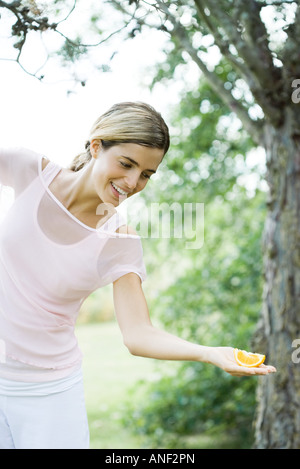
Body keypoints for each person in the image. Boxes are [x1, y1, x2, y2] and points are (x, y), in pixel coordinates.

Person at [0, 101, 276, 449]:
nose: (132, 183)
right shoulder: (28, 171)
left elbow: (138, 334)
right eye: (126, 164)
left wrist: (209, 353)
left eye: (146, 174)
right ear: (96, 146)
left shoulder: (119, 240)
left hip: (48, 392)